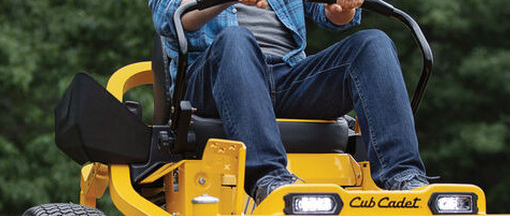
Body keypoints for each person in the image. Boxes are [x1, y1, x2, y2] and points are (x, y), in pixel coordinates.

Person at [149, 0, 428, 204]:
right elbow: (170, 16)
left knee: (373, 44)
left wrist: (342, 8)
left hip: (287, 75)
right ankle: (269, 179)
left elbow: (332, 15)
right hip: (214, 76)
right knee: (236, 39)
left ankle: (404, 177)